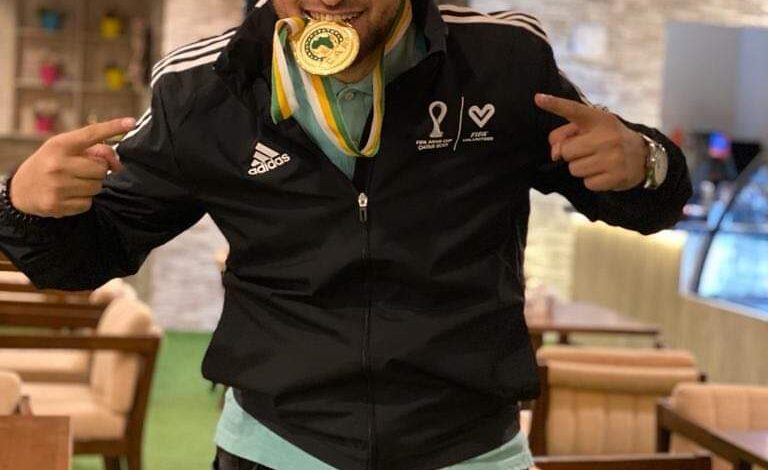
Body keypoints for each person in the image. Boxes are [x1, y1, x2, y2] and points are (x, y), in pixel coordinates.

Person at [0, 0, 691, 469]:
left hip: (471, 449)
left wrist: (645, 161)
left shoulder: (502, 59)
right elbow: (89, 255)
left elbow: (640, 199)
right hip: (275, 447)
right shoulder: (205, 88)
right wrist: (24, 203)